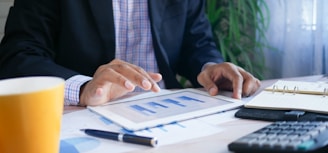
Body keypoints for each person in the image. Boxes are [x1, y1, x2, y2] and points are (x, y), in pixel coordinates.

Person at [0, 0, 261, 106]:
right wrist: (84, 88)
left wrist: (209, 66)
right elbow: (18, 55)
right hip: (82, 116)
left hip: (166, 112)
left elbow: (196, 42)